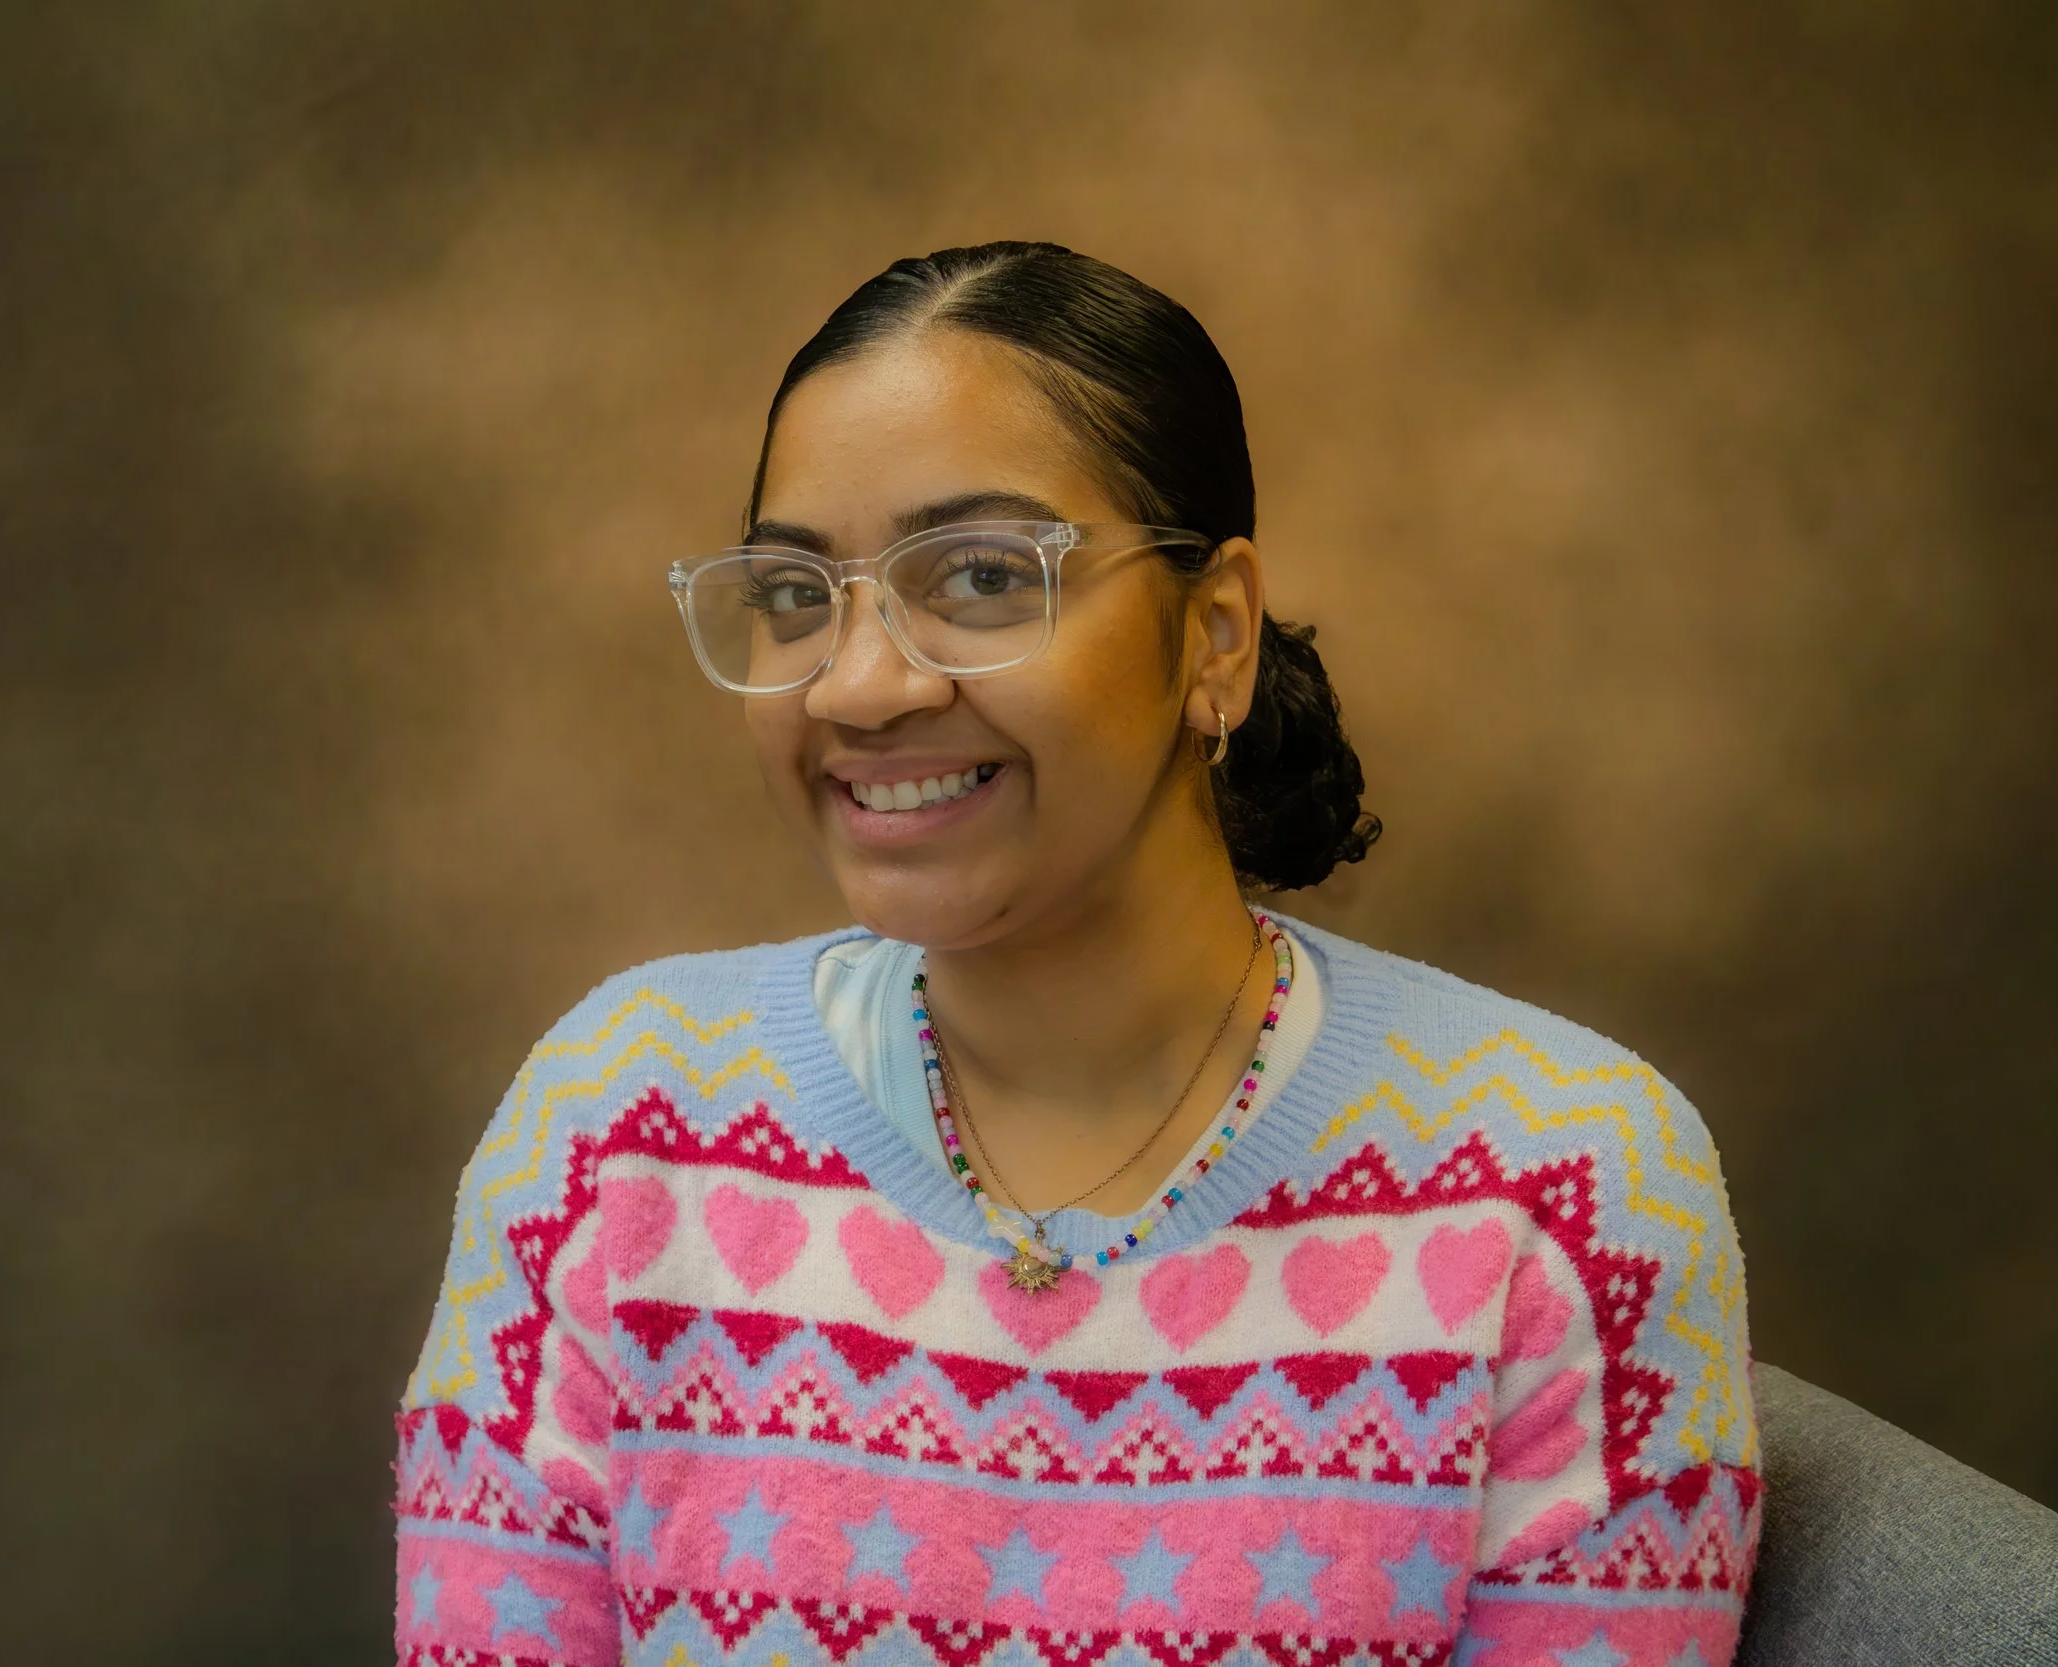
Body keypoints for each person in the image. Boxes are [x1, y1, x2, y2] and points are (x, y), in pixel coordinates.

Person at [392, 242, 1758, 1666]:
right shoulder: (618, 1134)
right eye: (798, 595)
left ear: (1214, 635)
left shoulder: (1561, 1183)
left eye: (980, 576)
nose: (859, 686)